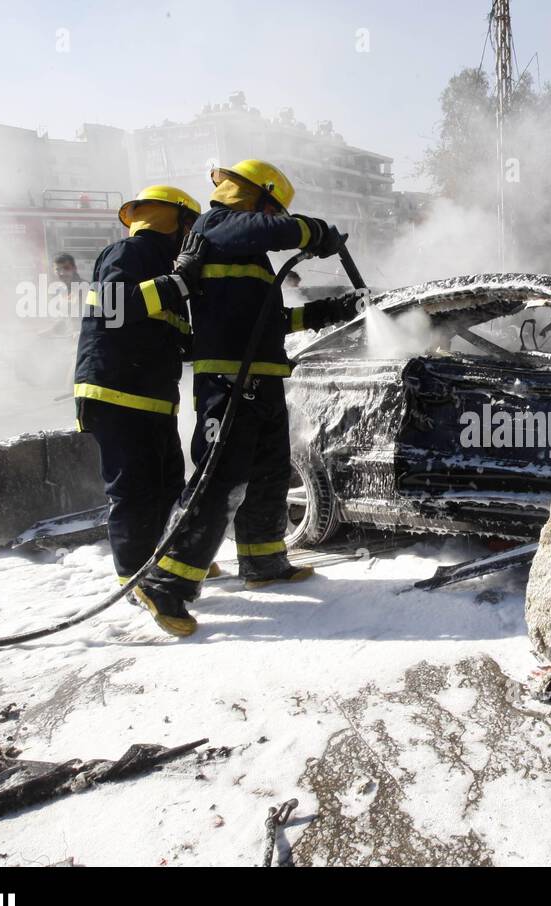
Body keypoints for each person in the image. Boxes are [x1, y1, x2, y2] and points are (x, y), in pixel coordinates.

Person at [135, 160, 361, 636]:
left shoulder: (250, 260)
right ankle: (164, 582)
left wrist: (331, 310)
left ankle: (263, 560)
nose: (276, 218)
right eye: (274, 208)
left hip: (263, 377)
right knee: (220, 479)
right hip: (229, 382)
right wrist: (311, 230)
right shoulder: (216, 226)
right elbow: (266, 229)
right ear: (257, 198)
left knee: (269, 473)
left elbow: (271, 324)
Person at [73, 185, 208, 589]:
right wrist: (179, 281)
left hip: (152, 399)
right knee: (133, 493)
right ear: (174, 219)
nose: (193, 237)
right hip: (116, 395)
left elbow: (175, 338)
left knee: (168, 485)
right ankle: (134, 581)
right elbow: (116, 308)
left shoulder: (165, 265)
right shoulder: (128, 253)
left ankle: (165, 565)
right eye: (190, 226)